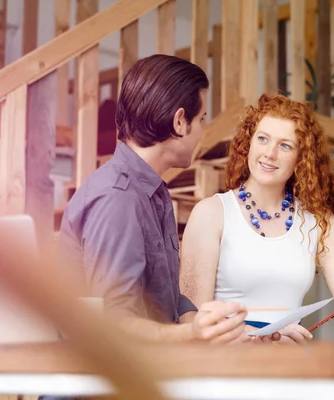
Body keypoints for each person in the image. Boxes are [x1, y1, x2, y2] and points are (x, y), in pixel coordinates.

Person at [58, 54, 253, 344]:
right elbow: (115, 321)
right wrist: (190, 335)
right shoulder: (118, 200)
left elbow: (169, 301)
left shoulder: (152, 191)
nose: (202, 131)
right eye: (200, 120)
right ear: (179, 122)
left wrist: (216, 329)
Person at [179, 93, 334, 346]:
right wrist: (255, 337)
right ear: (249, 143)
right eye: (262, 139)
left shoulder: (318, 221)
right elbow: (190, 317)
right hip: (226, 363)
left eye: (285, 145)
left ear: (301, 158)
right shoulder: (211, 213)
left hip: (288, 361)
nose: (270, 153)